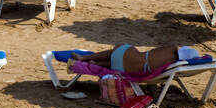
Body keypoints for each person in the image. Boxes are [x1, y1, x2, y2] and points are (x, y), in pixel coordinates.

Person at [71, 43, 204, 76]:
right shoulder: (173, 64)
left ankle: (85, 57)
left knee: (121, 49)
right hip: (127, 69)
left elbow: (152, 51)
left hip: (124, 58)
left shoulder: (169, 49)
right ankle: (95, 63)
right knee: (124, 59)